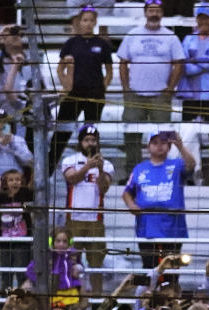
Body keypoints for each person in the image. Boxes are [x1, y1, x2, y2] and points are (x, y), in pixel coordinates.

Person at [117, 0, 186, 176]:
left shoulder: (171, 37)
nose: (154, 14)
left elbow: (179, 63)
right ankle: (132, 174)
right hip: (135, 94)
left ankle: (163, 173)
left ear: (162, 13)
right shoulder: (133, 34)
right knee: (132, 136)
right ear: (145, 13)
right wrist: (126, 88)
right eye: (150, 10)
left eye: (157, 10)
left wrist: (170, 88)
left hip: (160, 96)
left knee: (163, 137)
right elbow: (123, 62)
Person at [122, 130, 196, 274]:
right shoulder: (140, 168)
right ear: (148, 147)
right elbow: (126, 193)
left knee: (172, 268)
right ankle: (148, 295)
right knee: (149, 268)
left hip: (173, 225)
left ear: (169, 146)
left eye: (163, 142)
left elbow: (191, 165)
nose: (159, 146)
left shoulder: (177, 165)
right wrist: (132, 206)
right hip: (147, 225)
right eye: (155, 143)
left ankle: (171, 295)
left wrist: (180, 146)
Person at [50, 6, 113, 170]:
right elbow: (59, 69)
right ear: (79, 22)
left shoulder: (102, 44)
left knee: (91, 133)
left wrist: (102, 88)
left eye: (91, 20)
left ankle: (92, 168)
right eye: (85, 20)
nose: (88, 23)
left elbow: (109, 71)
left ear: (95, 22)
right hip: (73, 94)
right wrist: (66, 86)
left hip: (94, 95)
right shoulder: (71, 43)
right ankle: (48, 168)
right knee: (61, 132)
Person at [61, 123, 112, 295]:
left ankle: (97, 300)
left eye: (93, 140)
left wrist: (100, 168)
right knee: (70, 260)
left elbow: (104, 188)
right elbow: (72, 179)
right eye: (86, 140)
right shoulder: (69, 160)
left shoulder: (107, 164)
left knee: (96, 262)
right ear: (80, 142)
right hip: (73, 218)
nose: (90, 143)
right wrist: (86, 166)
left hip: (95, 220)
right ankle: (71, 297)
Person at [177, 4, 209, 123]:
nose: (203, 21)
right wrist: (203, 62)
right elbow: (185, 66)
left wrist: (194, 59)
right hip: (190, 96)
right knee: (188, 133)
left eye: (206, 18)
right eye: (200, 18)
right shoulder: (188, 39)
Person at [0, 108, 31, 187]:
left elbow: (29, 161)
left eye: (5, 122)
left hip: (17, 185)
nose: (2, 125)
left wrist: (12, 143)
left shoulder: (17, 140)